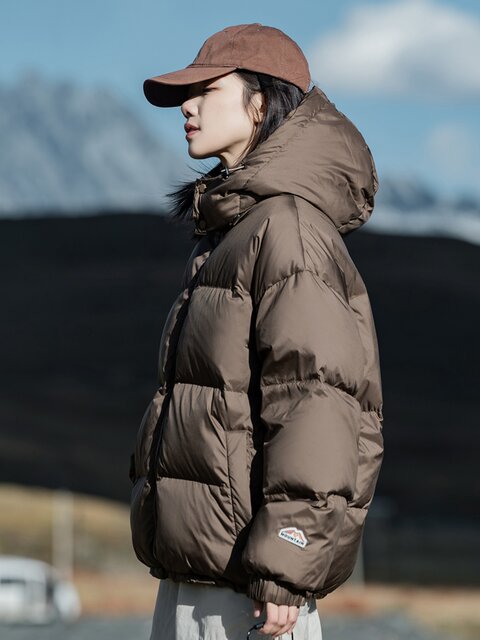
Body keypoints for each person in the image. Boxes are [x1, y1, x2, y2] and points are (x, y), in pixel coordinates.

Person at [129, 23, 384, 640]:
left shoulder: (286, 228)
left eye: (206, 91)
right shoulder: (235, 231)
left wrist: (287, 562)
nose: (186, 108)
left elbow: (316, 400)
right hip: (201, 577)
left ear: (259, 103)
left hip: (251, 594)